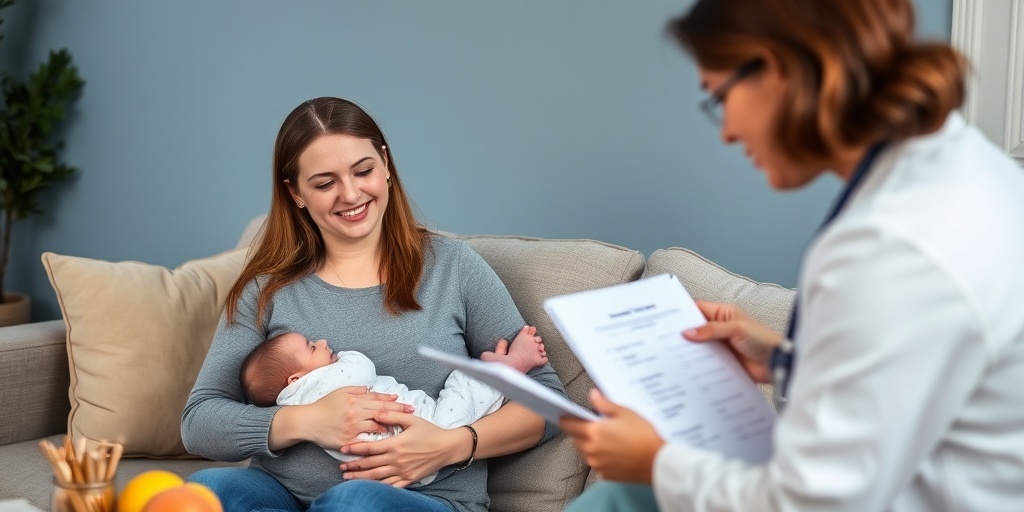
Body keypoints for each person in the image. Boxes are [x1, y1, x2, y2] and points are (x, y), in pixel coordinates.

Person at [560, 0, 1024, 511]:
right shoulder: (970, 171)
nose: (728, 132)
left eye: (719, 97)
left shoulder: (890, 246)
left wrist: (657, 462)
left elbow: (813, 503)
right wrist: (786, 360)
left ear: (776, 70)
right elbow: (902, 388)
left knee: (624, 496)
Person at [180, 96, 568, 512]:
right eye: (325, 183)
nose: (350, 194)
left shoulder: (452, 268)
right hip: (282, 496)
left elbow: (549, 404)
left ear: (385, 165)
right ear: (295, 193)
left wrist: (451, 445)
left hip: (422, 498)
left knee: (353, 502)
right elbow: (200, 420)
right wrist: (306, 421)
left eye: (363, 171)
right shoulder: (267, 288)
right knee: (205, 492)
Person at [238, 326, 548, 486]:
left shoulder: (298, 393)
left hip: (423, 448)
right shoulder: (325, 382)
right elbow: (361, 368)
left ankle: (497, 377)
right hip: (425, 425)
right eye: (311, 347)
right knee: (461, 388)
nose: (321, 342)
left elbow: (549, 408)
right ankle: (509, 368)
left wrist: (452, 446)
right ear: (295, 380)